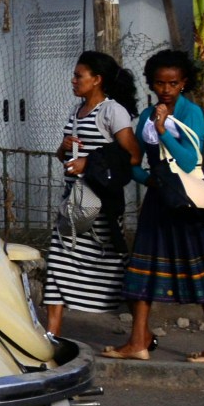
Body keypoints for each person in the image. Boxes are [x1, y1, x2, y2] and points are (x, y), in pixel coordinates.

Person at [104, 50, 204, 363]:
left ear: (183, 83)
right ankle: (138, 341)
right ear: (152, 83)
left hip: (189, 204)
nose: (166, 89)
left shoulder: (192, 113)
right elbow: (135, 162)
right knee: (143, 270)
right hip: (159, 202)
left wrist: (163, 130)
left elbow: (189, 160)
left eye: (173, 83)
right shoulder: (146, 117)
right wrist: (149, 180)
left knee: (203, 270)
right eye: (160, 83)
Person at [42, 51, 141, 336]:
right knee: (58, 263)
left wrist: (90, 162)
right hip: (73, 201)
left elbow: (133, 156)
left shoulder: (112, 111)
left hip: (100, 205)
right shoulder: (77, 111)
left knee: (114, 270)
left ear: (97, 79)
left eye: (79, 76)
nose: (73, 81)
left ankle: (141, 334)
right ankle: (52, 335)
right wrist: (64, 148)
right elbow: (66, 157)